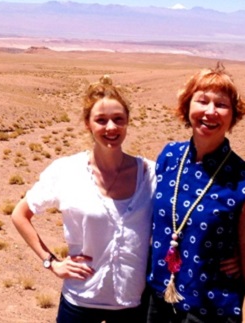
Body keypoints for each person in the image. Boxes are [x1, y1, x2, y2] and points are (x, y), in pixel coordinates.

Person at [11, 75, 155, 323]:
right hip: (80, 300)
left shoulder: (150, 174)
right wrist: (51, 263)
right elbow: (20, 214)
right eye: (101, 120)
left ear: (127, 122)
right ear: (88, 124)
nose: (111, 127)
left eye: (118, 119)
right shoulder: (66, 171)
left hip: (133, 303)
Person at [146, 64, 245, 323]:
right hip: (158, 301)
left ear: (233, 115)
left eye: (221, 105)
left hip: (211, 311)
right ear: (187, 107)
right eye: (202, 101)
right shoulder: (169, 157)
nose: (210, 112)